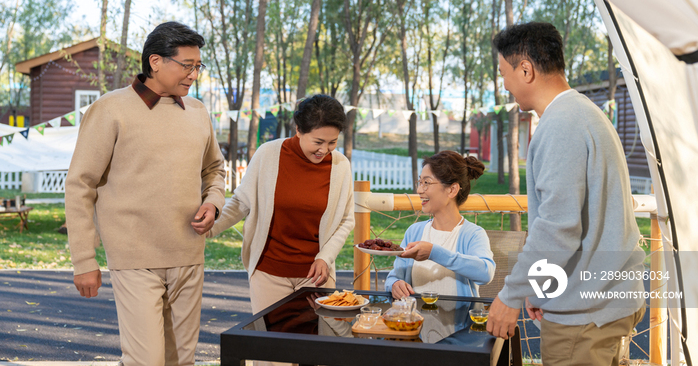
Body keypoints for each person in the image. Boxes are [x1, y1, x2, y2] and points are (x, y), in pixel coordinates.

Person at [65, 21, 226, 366]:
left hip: (188, 254)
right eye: (187, 65)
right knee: (146, 360)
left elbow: (214, 170)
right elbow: (80, 184)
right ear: (155, 61)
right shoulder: (111, 109)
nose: (194, 75)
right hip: (134, 258)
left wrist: (213, 202)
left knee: (182, 360)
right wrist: (84, 259)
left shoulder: (198, 112)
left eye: (198, 66)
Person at [487, 22, 646, 365]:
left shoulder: (561, 125)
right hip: (607, 302)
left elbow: (558, 229)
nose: (504, 85)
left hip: (585, 317)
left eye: (504, 73)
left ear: (525, 70)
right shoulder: (584, 114)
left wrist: (512, 294)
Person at [209, 94, 354, 313]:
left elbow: (345, 220)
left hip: (316, 277)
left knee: (315, 344)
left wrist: (326, 257)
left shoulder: (341, 166)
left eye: (332, 142)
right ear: (298, 130)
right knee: (272, 344)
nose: (324, 150)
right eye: (318, 142)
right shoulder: (268, 154)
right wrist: (209, 227)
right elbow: (241, 203)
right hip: (269, 273)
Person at [385, 151, 495, 300]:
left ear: (452, 190)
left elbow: (485, 273)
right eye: (420, 182)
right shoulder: (414, 231)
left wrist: (433, 253)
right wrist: (394, 284)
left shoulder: (473, 234)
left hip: (460, 323)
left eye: (427, 183)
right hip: (414, 322)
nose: (419, 190)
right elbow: (394, 276)